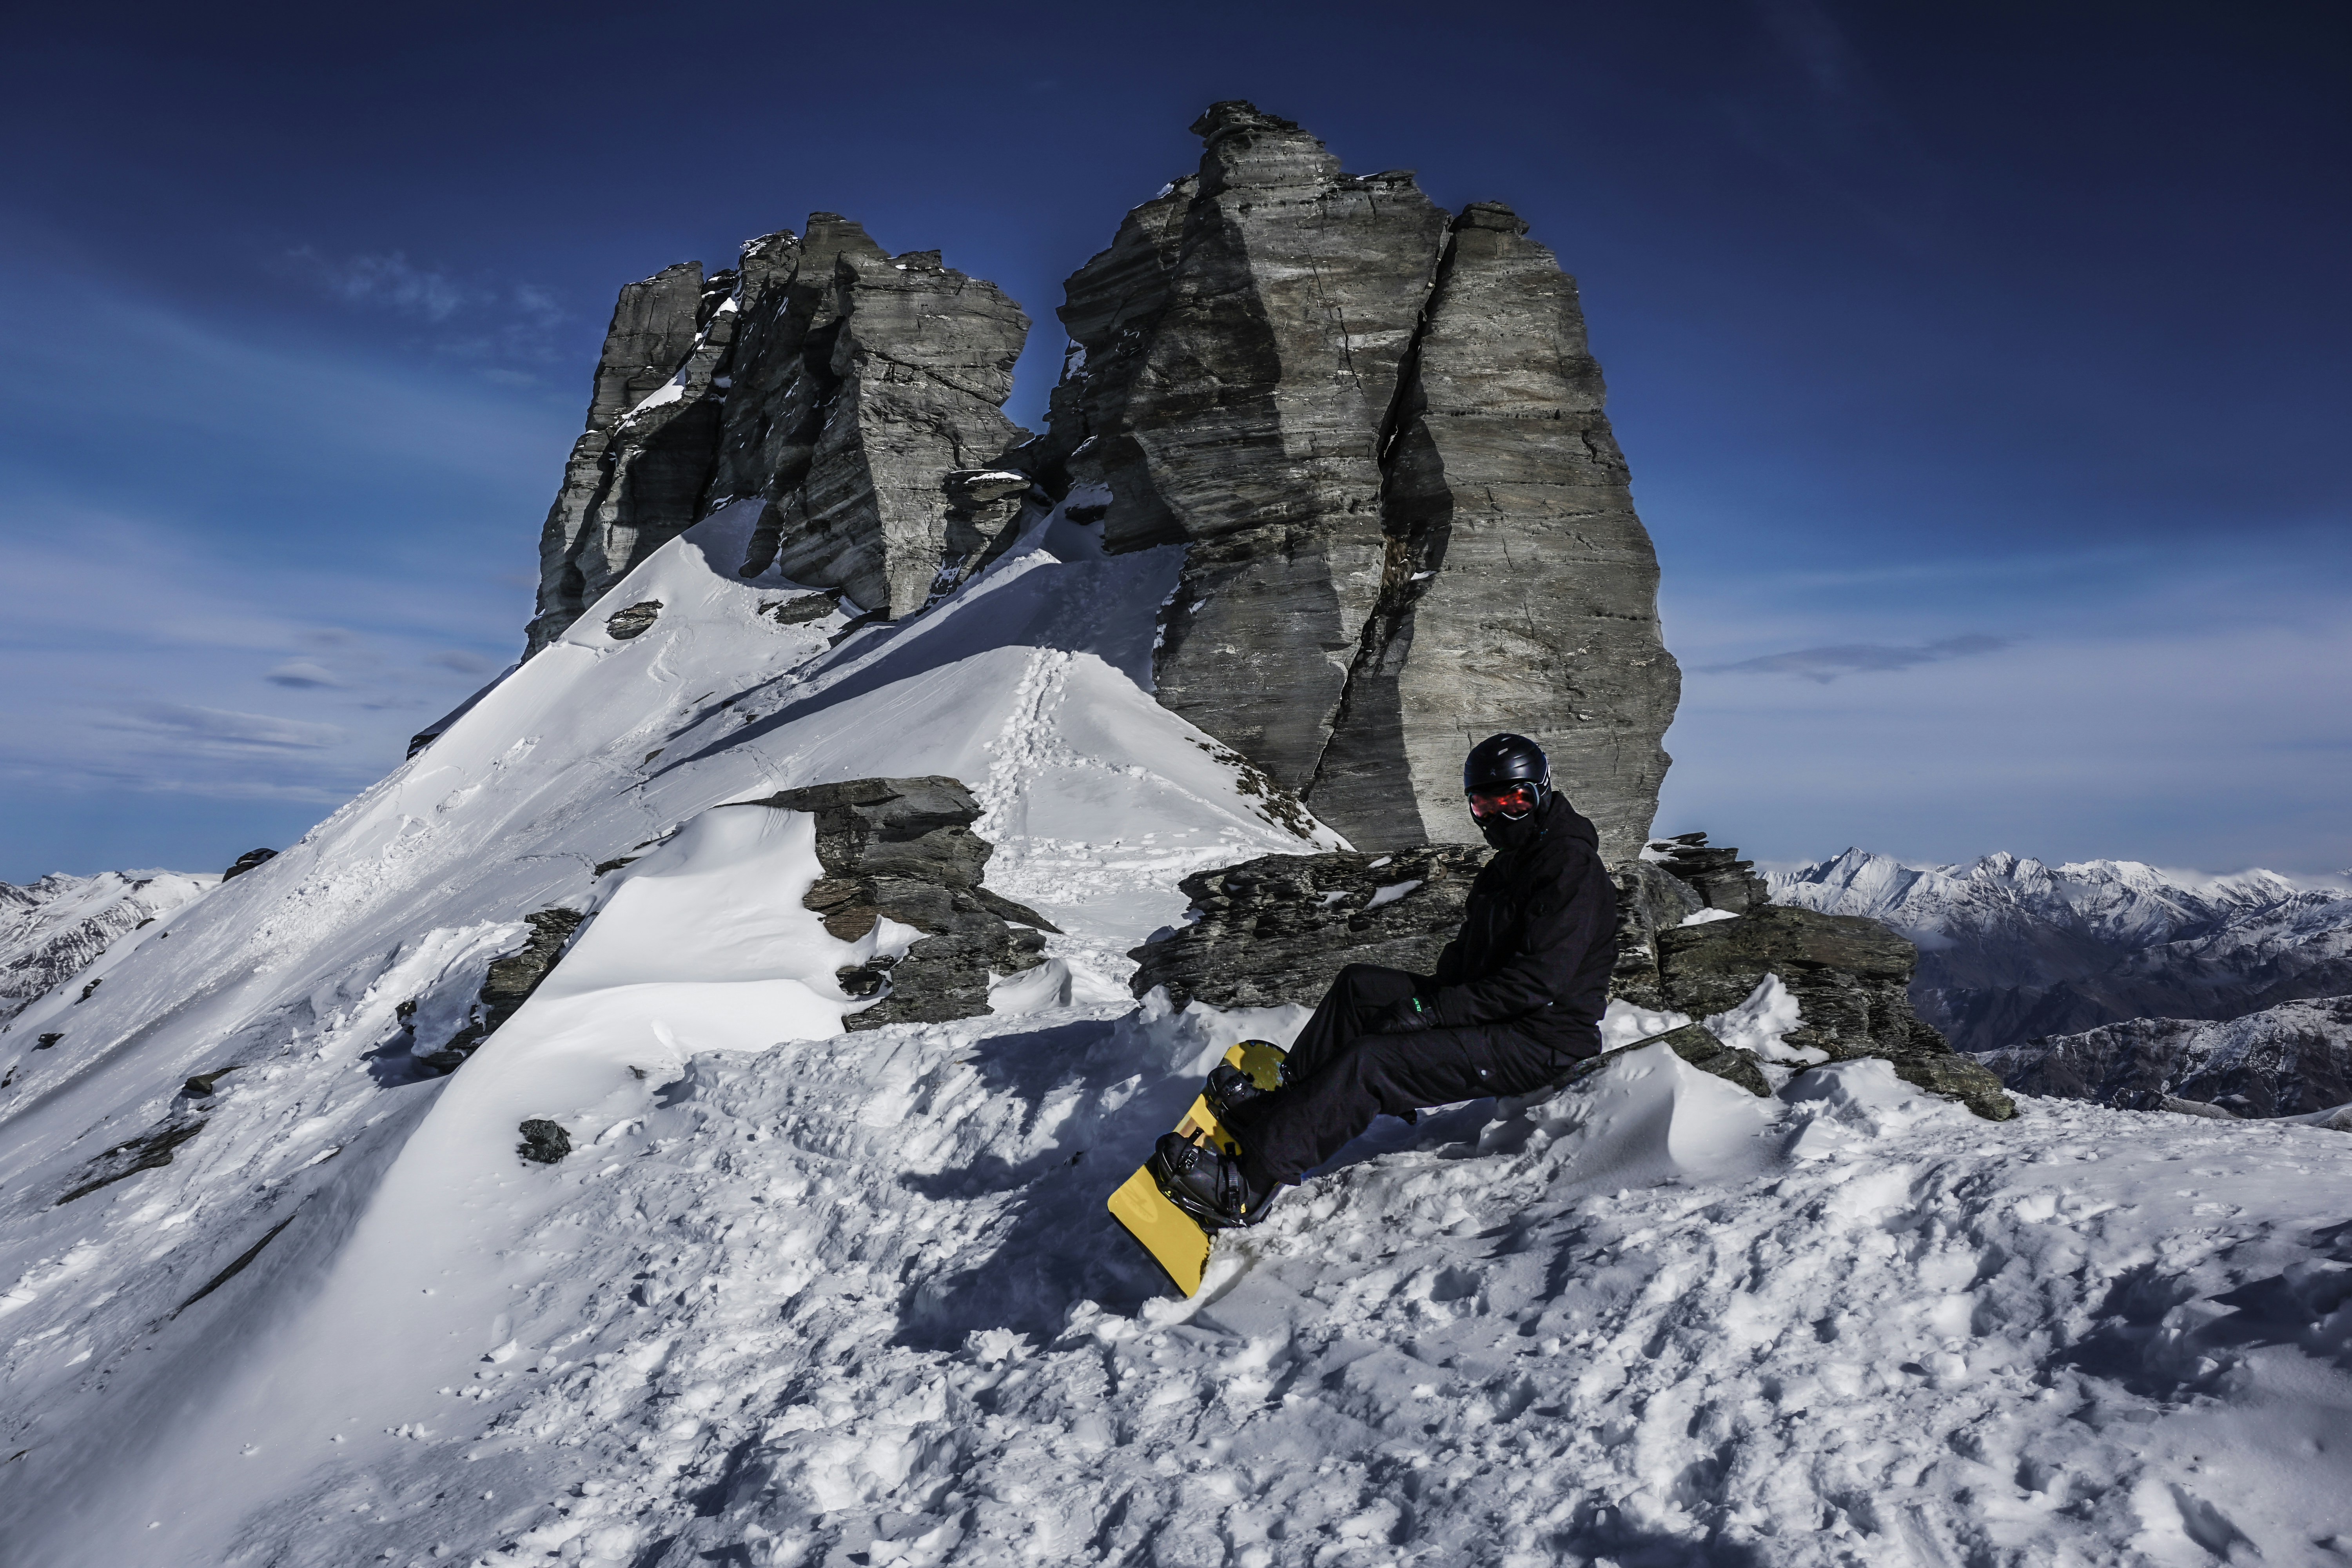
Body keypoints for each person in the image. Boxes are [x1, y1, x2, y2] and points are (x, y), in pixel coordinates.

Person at [1153, 733, 1618, 1226]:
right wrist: (1427, 1006)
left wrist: (1430, 1014)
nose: (1499, 815)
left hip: (1541, 1040)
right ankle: (1287, 1110)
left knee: (1371, 1062)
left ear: (1541, 793)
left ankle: (1250, 1182)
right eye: (1485, 804)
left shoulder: (1570, 868)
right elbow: (1466, 964)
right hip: (1499, 1018)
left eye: (1515, 800)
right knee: (1361, 988)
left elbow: (1535, 984)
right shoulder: (1508, 868)